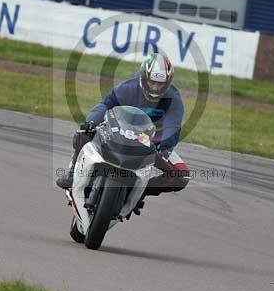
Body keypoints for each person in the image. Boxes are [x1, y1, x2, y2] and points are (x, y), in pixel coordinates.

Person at [56, 53, 190, 204]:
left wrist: (163, 144)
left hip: (151, 143)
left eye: (161, 84)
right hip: (117, 133)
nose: (155, 87)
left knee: (181, 176)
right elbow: (105, 105)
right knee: (84, 132)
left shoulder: (174, 99)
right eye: (152, 82)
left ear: (168, 83)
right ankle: (73, 172)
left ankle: (138, 193)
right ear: (144, 78)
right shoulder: (128, 88)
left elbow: (174, 126)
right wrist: (91, 121)